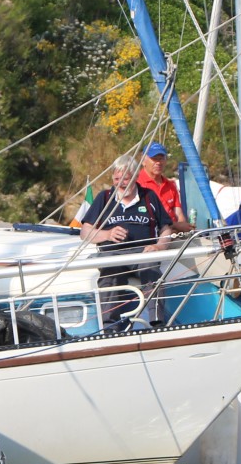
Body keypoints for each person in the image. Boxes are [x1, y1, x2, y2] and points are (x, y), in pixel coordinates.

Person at [80, 154, 174, 332]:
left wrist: (159, 246)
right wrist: (107, 234)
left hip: (141, 252)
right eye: (117, 179)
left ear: (136, 176)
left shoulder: (149, 197)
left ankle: (157, 323)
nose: (121, 183)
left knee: (151, 270)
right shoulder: (104, 198)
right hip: (112, 254)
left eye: (126, 178)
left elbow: (166, 229)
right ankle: (109, 328)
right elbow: (85, 232)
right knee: (110, 275)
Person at [137, 142, 193, 233]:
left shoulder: (170, 185)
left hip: (175, 234)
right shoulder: (137, 185)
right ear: (143, 161)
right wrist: (175, 225)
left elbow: (179, 214)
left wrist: (182, 227)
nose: (158, 163)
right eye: (154, 159)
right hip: (155, 235)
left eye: (161, 158)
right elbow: (144, 219)